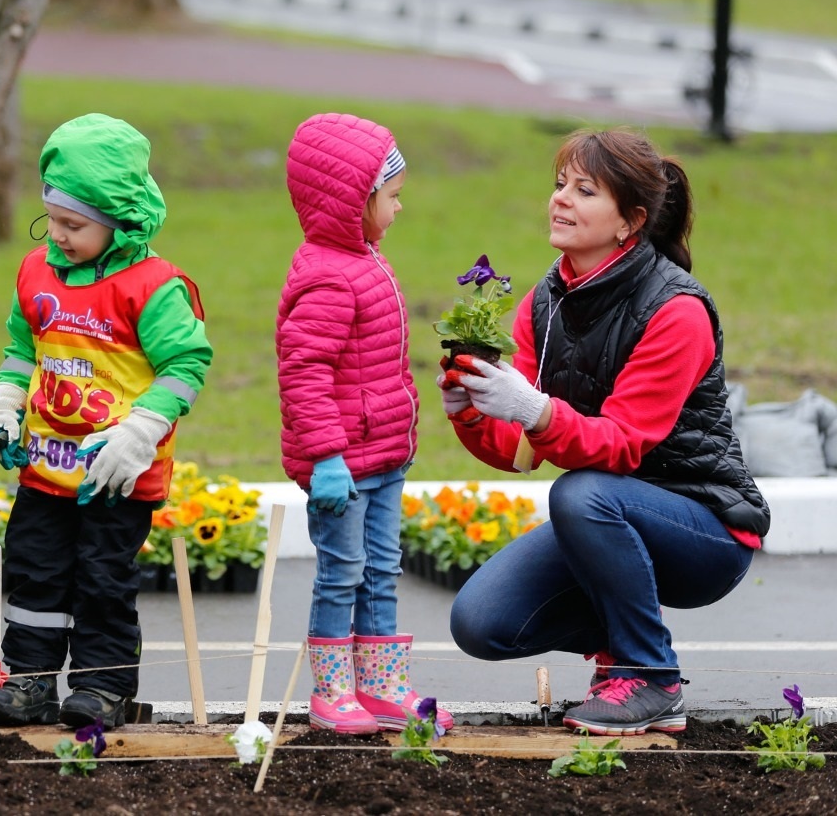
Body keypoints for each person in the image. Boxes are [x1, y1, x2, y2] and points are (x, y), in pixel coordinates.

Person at [441, 127, 769, 736]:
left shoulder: (677, 310)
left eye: (585, 190)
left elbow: (619, 445)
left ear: (630, 221)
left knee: (581, 491)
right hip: (607, 518)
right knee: (481, 622)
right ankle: (620, 651)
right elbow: (519, 454)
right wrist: (473, 408)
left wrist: (533, 408)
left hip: (705, 530)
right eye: (560, 184)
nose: (561, 199)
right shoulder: (544, 303)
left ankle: (650, 677)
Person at [0, 113, 212, 731]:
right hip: (43, 471)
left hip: (115, 475)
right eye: (51, 218)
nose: (57, 236)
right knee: (34, 573)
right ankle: (28, 685)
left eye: (74, 225)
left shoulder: (155, 288)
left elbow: (186, 365)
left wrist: (139, 434)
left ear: (121, 220)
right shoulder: (37, 272)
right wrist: (5, 401)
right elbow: (22, 347)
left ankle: (102, 689)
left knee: (103, 580)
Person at [278, 112, 451, 735]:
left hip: (381, 458)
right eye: (393, 196)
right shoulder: (328, 275)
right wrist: (326, 458)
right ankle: (331, 693)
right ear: (354, 199)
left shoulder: (362, 258)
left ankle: (380, 687)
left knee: (381, 569)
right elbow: (304, 373)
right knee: (342, 571)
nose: (399, 209)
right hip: (343, 467)